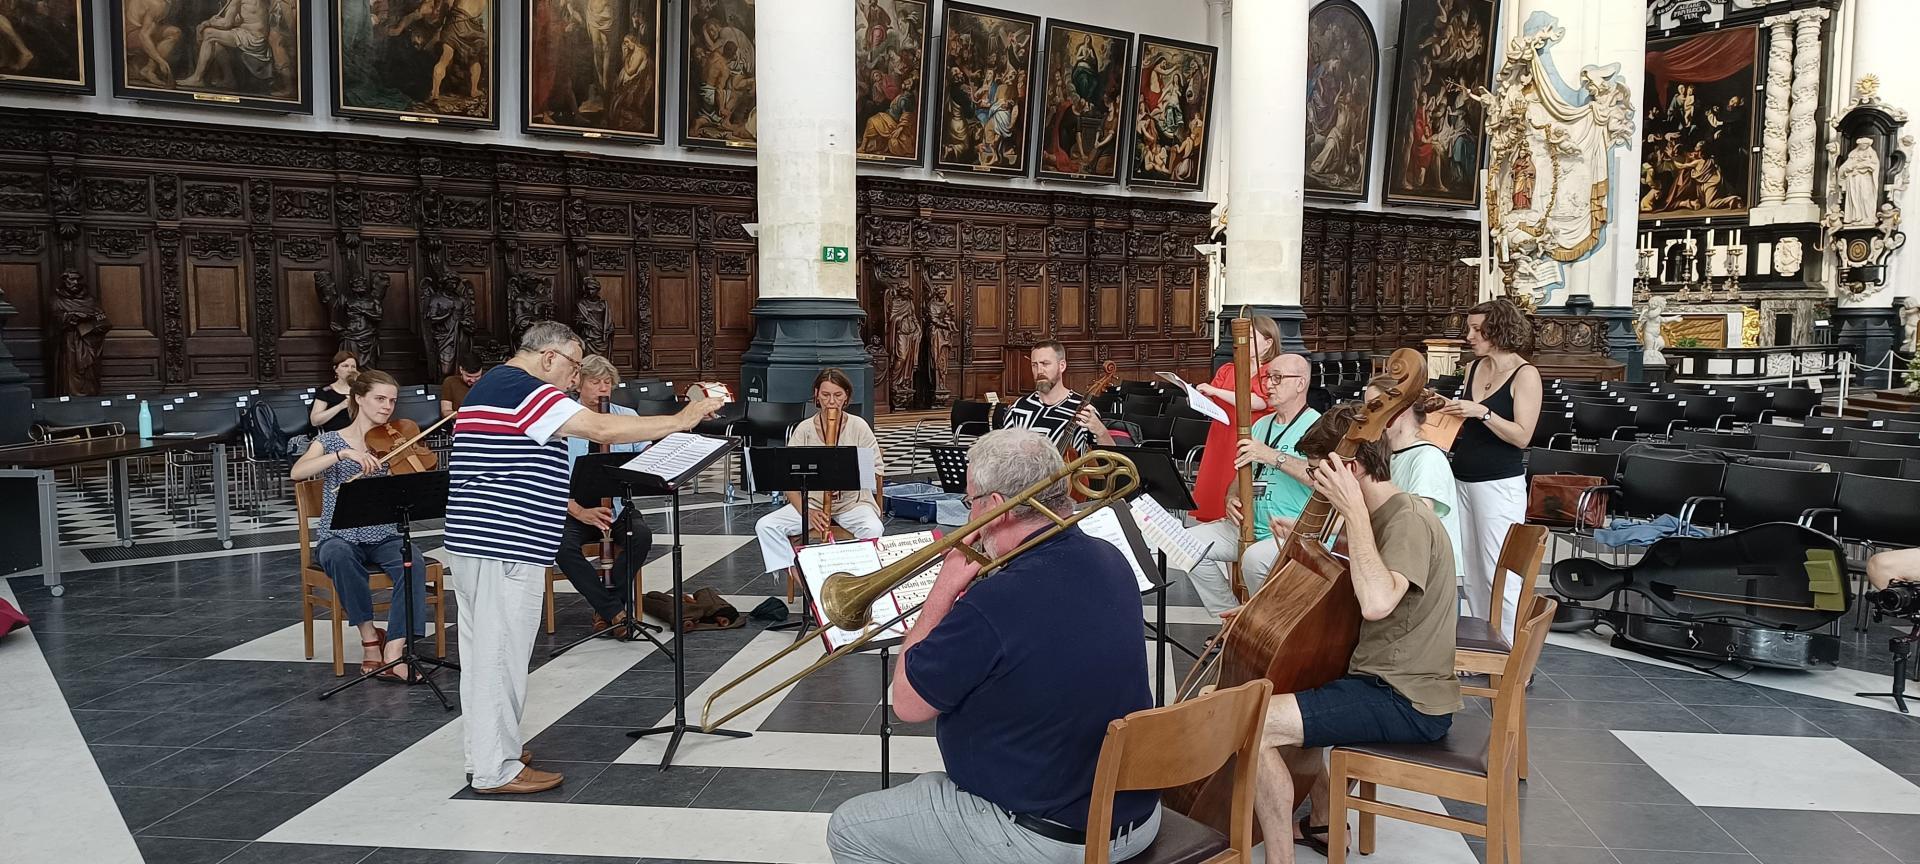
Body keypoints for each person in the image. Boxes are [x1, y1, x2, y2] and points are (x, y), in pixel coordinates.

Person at [827, 429, 1162, 864]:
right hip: (1133, 815)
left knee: (850, 828)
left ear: (994, 505)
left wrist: (942, 592)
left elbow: (908, 706)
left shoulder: (996, 601)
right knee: (928, 791)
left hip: (1049, 834)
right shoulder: (1110, 558)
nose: (969, 517)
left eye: (970, 502)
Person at [442, 321, 723, 795]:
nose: (575, 380)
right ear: (548, 357)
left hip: (482, 539)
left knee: (486, 654)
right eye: (573, 367)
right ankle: (496, 768)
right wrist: (681, 419)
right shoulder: (520, 386)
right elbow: (597, 426)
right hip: (502, 540)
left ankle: (490, 749)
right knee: (499, 657)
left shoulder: (495, 383)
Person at [1239, 404, 1460, 864]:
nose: (1316, 486)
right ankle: (1321, 821)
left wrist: (1354, 513)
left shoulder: (1406, 520)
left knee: (1253, 721)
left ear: (1351, 469)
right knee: (1297, 690)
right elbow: (1353, 591)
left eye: (1321, 475)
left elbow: (1378, 601)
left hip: (1405, 698)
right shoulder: (1385, 516)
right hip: (1381, 678)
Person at [287, 369, 430, 680]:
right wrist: (340, 455)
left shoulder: (396, 442)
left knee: (413, 562)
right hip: (339, 535)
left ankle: (395, 649)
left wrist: (403, 471)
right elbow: (298, 472)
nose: (387, 406)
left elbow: (416, 485)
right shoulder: (330, 441)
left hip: (383, 534)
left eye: (392, 401)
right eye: (379, 399)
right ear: (358, 398)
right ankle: (369, 638)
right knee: (338, 555)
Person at [1184, 354, 1317, 616]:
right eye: (1268, 377)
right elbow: (1239, 478)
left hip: (1289, 530)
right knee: (1187, 544)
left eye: (1278, 378)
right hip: (1246, 525)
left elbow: (1320, 478)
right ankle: (1232, 619)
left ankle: (1265, 625)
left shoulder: (1317, 425)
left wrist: (1271, 456)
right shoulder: (1260, 425)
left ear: (1301, 384)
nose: (1268, 384)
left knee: (1254, 558)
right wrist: (1231, 498)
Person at [1440, 299, 1541, 640]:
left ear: (1497, 330)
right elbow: (1465, 420)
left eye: (1476, 329)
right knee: (1471, 570)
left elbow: (1522, 436)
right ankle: (1486, 644)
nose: (1469, 335)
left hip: (1499, 482)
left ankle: (1511, 652)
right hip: (1463, 477)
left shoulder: (1525, 374)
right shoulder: (1473, 368)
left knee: (1500, 570)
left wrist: (1482, 413)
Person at [754, 369, 886, 575]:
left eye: (837, 395)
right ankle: (802, 579)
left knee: (873, 528)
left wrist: (846, 481)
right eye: (825, 395)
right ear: (816, 395)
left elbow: (876, 470)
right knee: (766, 526)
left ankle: (856, 578)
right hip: (812, 504)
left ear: (847, 397)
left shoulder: (859, 426)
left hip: (852, 503)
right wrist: (808, 511)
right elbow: (787, 480)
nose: (831, 401)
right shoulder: (804, 429)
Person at [557, 355, 652, 632]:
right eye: (595, 382)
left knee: (641, 537)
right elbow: (552, 478)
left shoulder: (627, 417)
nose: (603, 389)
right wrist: (579, 512)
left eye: (607, 382)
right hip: (575, 508)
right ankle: (614, 611)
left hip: (618, 506)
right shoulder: (563, 420)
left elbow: (643, 453)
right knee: (562, 547)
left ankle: (608, 608)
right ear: (579, 385)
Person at [1366, 374, 1466, 582]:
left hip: (1426, 577)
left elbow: (1415, 522)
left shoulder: (1427, 458)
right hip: (1401, 566)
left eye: (1374, 407)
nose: (1367, 416)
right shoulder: (1389, 455)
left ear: (1400, 410)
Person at [1190, 315, 1281, 523]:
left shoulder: (1270, 371)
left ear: (1268, 344)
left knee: (1236, 482)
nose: (1242, 342)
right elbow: (1213, 398)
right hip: (1221, 434)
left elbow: (1257, 402)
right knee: (1215, 486)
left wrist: (1214, 391)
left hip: (1248, 435)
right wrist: (1200, 396)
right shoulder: (1227, 369)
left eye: (1249, 337)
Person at [994, 340, 1116, 453]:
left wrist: (1101, 431)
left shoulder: (1084, 410)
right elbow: (1006, 457)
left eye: (1045, 364)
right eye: (1034, 365)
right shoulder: (1018, 408)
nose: (1039, 370)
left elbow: (1110, 459)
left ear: (1062, 366)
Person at [310, 350, 358, 432]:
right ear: (336, 369)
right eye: (345, 366)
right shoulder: (325, 391)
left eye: (353, 367)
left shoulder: (360, 390)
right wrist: (341, 406)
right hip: (335, 435)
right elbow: (315, 421)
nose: (350, 370)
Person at [440, 352, 483, 419]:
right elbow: (445, 412)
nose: (473, 380)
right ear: (461, 370)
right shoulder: (450, 382)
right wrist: (468, 416)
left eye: (477, 376)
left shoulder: (487, 381)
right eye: (469, 376)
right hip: (460, 423)